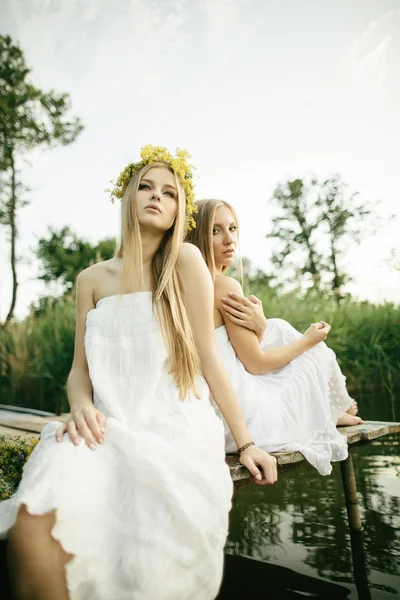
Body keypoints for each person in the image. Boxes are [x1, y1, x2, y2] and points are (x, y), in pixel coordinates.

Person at [0, 148, 277, 600]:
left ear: (177, 212)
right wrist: (81, 406)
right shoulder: (90, 279)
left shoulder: (185, 262)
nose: (156, 196)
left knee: (145, 551)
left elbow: (209, 360)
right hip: (105, 428)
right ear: (128, 197)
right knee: (32, 527)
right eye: (146, 187)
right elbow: (78, 371)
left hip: (176, 427)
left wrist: (245, 442)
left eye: (169, 193)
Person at [186, 198, 362, 477]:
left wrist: (261, 326)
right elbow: (257, 364)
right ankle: (326, 411)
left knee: (275, 327)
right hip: (243, 420)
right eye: (215, 231)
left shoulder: (185, 286)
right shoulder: (223, 286)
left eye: (232, 228)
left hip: (211, 414)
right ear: (195, 237)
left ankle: (328, 409)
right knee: (306, 346)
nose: (229, 239)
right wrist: (308, 340)